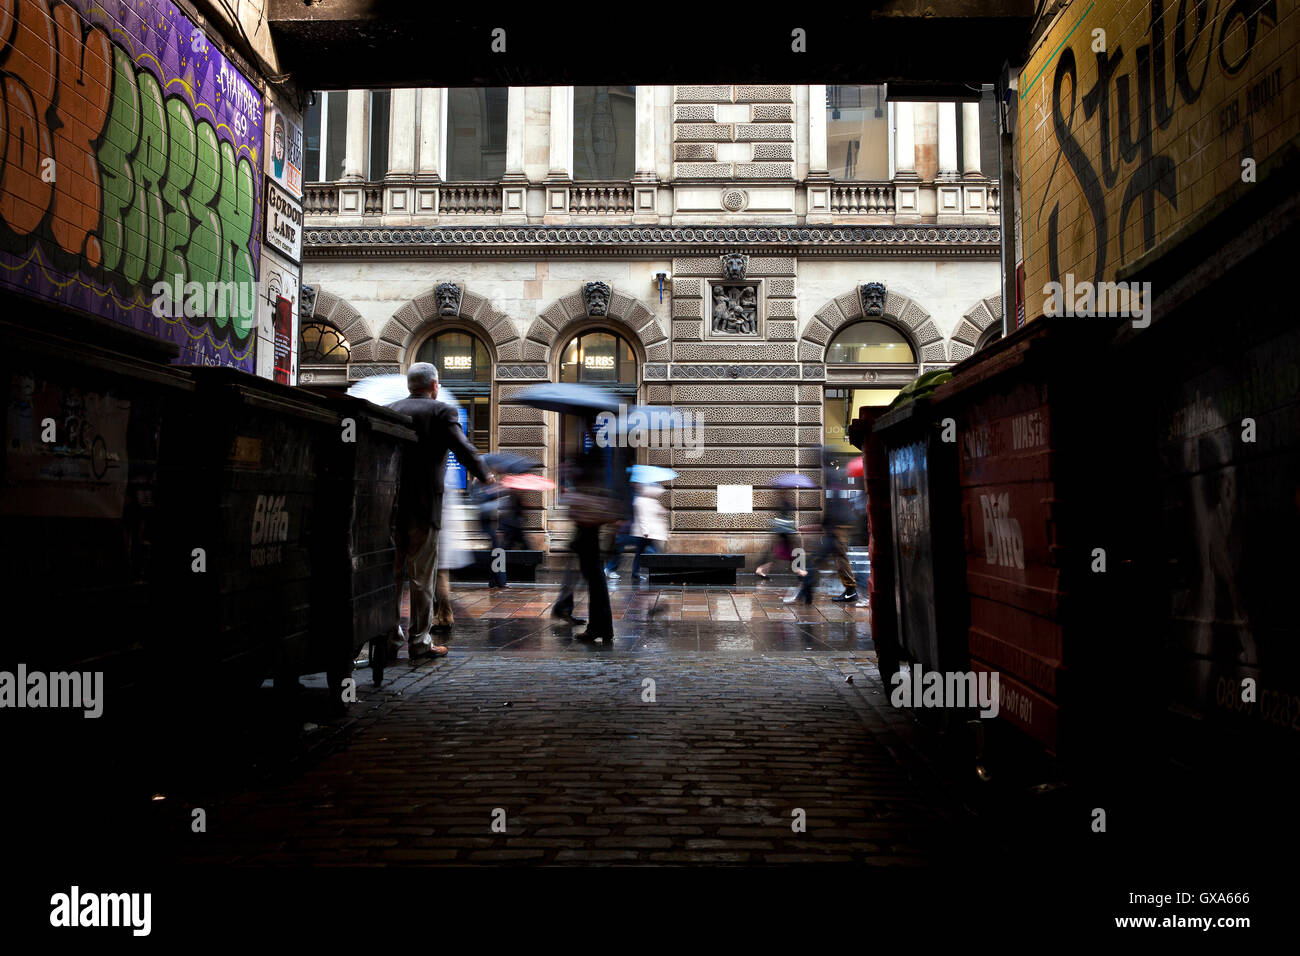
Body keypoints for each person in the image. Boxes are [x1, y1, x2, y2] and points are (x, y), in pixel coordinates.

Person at [387, 363, 491, 660]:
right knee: (422, 579)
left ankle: (389, 639)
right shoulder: (441, 412)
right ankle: (419, 642)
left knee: (392, 578)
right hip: (424, 508)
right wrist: (484, 474)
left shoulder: (390, 408)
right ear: (434, 385)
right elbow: (463, 447)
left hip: (392, 508)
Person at [551, 415, 630, 642]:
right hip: (591, 519)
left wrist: (572, 466)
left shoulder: (601, 450)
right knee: (593, 574)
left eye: (588, 424)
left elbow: (593, 479)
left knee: (594, 575)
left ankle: (601, 628)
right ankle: (598, 627)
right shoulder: (605, 449)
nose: (586, 429)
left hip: (591, 519)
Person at [785, 489, 860, 605]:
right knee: (838, 561)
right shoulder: (836, 499)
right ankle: (850, 590)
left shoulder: (835, 498)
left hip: (836, 533)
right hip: (836, 532)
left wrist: (814, 527)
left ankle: (805, 594)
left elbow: (829, 518)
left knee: (817, 561)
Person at [608, 483, 666, 581]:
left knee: (646, 552)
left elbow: (652, 514)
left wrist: (662, 511)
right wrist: (645, 531)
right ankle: (612, 569)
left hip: (644, 532)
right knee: (649, 552)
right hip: (639, 532)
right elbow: (642, 517)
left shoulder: (648, 500)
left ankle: (637, 573)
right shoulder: (639, 499)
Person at [755, 488, 806, 581]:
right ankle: (799, 571)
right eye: (787, 491)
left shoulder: (782, 501)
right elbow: (784, 517)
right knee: (792, 552)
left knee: (778, 554)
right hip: (784, 533)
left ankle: (760, 569)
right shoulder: (784, 502)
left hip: (783, 533)